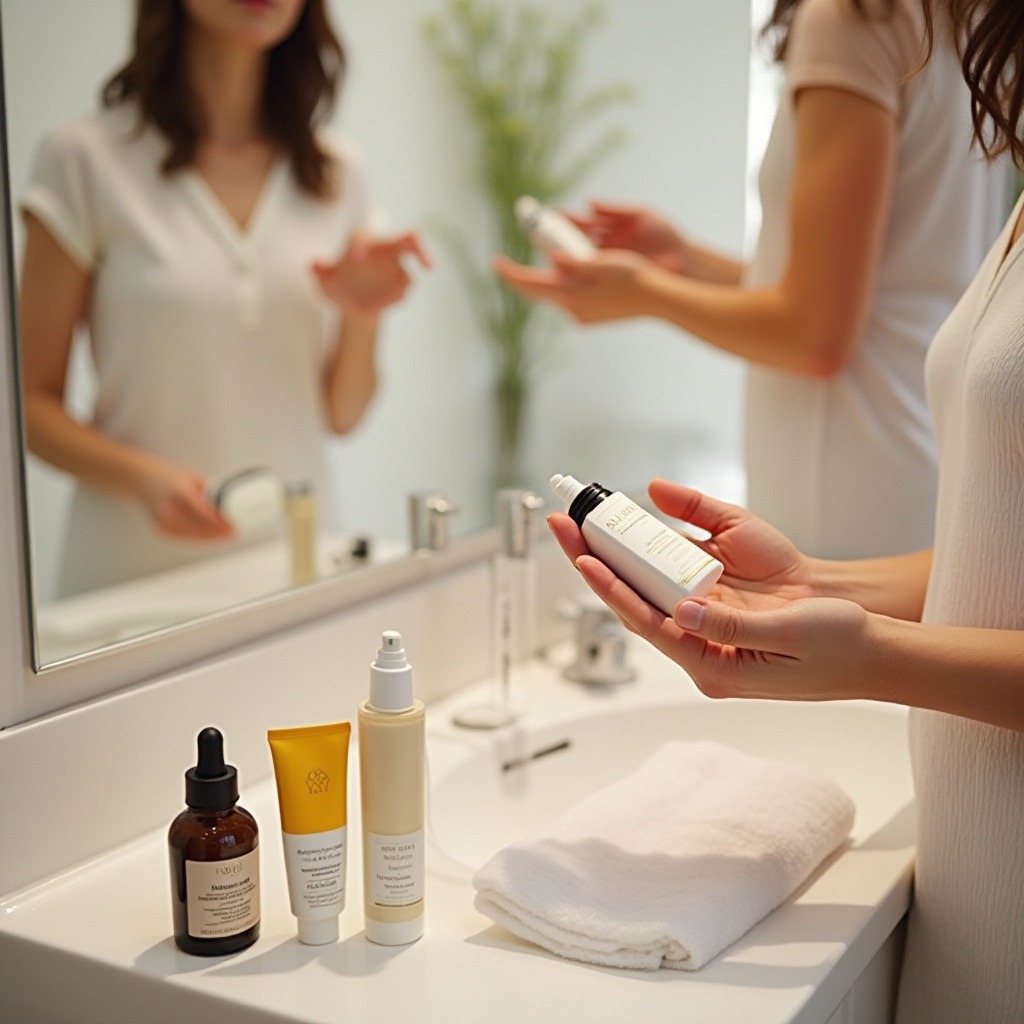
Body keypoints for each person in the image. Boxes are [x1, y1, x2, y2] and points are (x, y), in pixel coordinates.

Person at [548, 0, 1024, 1017]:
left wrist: (869, 650)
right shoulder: (976, 60)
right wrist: (823, 583)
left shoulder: (861, 14)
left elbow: (816, 326)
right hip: (974, 848)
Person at [497, 0, 1008, 560]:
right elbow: (847, 292)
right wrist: (684, 262)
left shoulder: (856, 18)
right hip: (912, 462)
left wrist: (644, 291)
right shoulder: (964, 27)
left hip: (846, 492)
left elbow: (815, 334)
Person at [18, 0, 430, 595]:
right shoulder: (82, 160)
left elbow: (342, 414)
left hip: (295, 566)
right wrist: (144, 480)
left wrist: (361, 317)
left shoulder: (338, 173)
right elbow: (30, 408)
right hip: (128, 582)